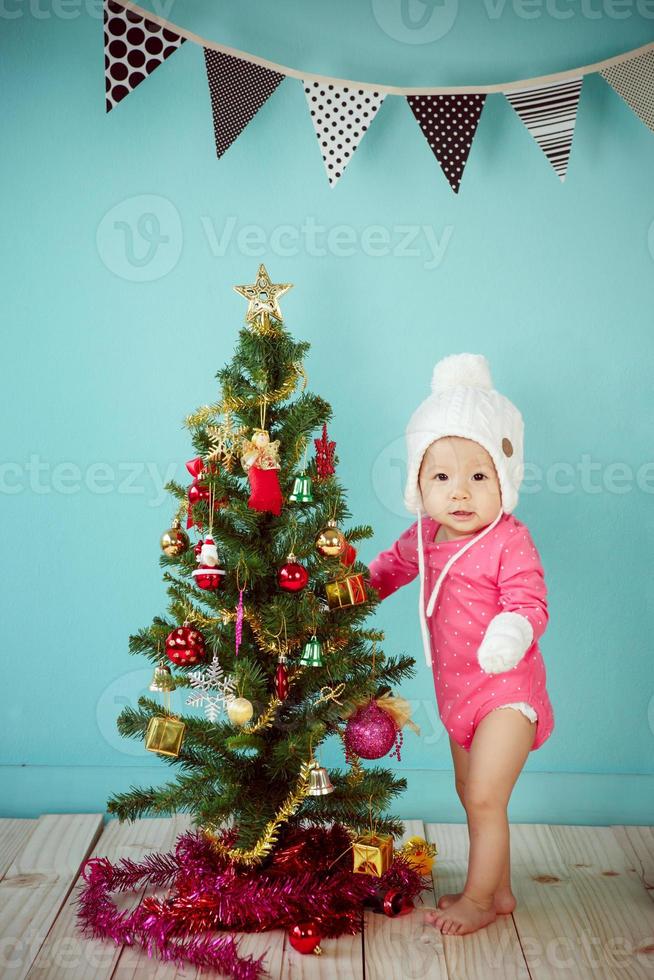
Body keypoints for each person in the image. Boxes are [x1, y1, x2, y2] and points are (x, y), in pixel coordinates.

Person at [367, 352, 554, 936]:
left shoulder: (509, 541)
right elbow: (386, 572)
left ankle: (476, 900)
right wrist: (343, 592)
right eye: (441, 476)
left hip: (507, 689)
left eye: (479, 475)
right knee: (466, 790)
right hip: (457, 692)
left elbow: (530, 603)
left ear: (505, 479)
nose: (461, 492)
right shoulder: (425, 534)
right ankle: (495, 892)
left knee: (484, 798)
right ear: (418, 485)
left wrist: (510, 631)